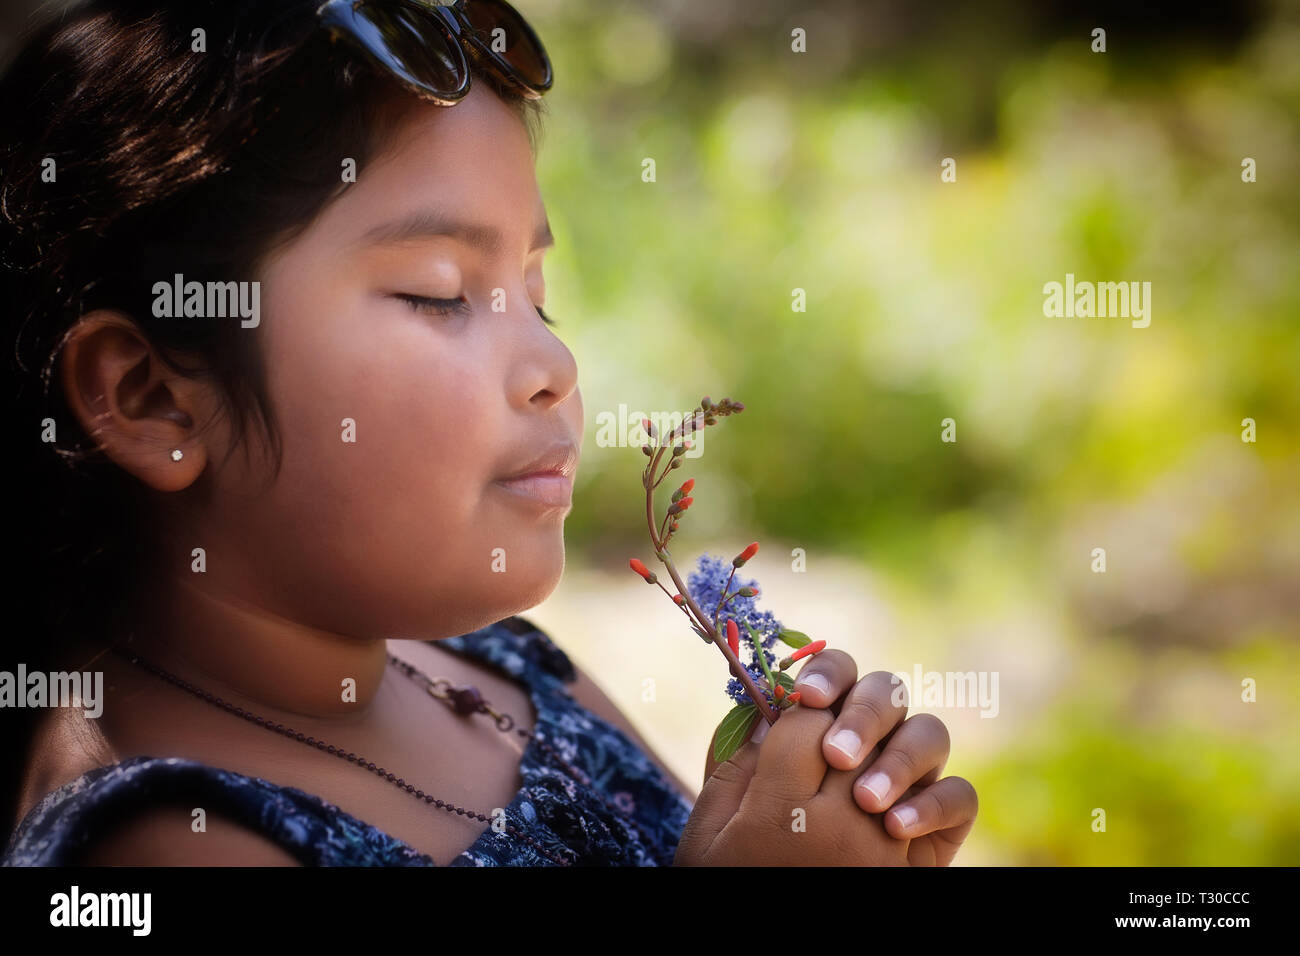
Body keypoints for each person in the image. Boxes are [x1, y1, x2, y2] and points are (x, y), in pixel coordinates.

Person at [0, 0, 976, 866]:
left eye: (536, 294)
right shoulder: (164, 839)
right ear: (151, 398)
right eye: (438, 295)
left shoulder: (507, 671)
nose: (554, 367)